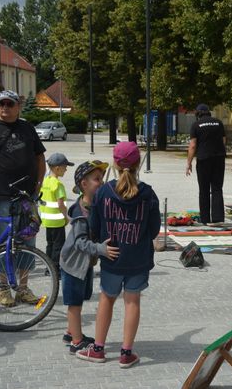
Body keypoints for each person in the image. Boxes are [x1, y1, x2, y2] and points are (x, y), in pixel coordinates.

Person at [77, 141, 160, 368]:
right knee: (132, 301)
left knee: (106, 298)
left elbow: (93, 225)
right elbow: (153, 229)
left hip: (111, 256)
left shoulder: (103, 191)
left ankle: (99, 349)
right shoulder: (148, 193)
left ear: (114, 163)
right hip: (139, 257)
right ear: (139, 163)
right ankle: (126, 353)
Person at [0, 90, 46, 307]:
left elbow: (40, 157)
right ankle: (4, 288)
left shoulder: (27, 128)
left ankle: (22, 288)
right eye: (1, 103)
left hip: (27, 197)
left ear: (17, 106)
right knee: (3, 243)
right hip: (1, 196)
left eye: (9, 104)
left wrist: (39, 183)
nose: (5, 107)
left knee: (27, 239)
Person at [60, 160, 119, 354]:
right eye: (96, 179)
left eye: (101, 178)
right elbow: (80, 243)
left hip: (84, 265)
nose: (101, 182)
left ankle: (71, 331)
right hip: (73, 265)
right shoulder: (80, 213)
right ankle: (76, 342)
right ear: (84, 185)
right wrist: (101, 249)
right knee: (74, 303)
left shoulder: (93, 205)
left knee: (81, 297)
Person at [185, 104, 226, 225]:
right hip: (219, 158)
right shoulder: (218, 123)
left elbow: (193, 145)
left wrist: (189, 163)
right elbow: (224, 141)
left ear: (198, 114)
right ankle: (218, 218)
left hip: (203, 159)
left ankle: (205, 219)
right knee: (217, 188)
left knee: (204, 189)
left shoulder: (196, 125)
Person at [40, 153, 74, 274]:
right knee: (58, 247)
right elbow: (60, 204)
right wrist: (66, 218)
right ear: (57, 168)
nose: (66, 169)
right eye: (65, 167)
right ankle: (55, 270)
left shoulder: (46, 181)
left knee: (50, 245)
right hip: (57, 221)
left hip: (47, 220)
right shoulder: (58, 185)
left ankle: (48, 268)